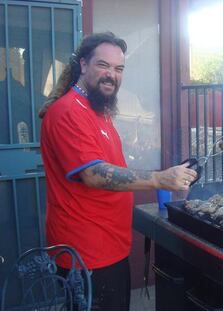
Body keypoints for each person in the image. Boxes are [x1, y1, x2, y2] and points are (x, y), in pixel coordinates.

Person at [38, 32, 197, 310]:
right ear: (84, 64)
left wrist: (168, 177)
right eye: (103, 65)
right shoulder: (67, 112)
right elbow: (94, 173)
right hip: (86, 255)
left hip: (109, 247)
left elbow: (111, 164)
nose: (112, 75)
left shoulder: (99, 112)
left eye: (119, 68)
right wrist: (159, 178)